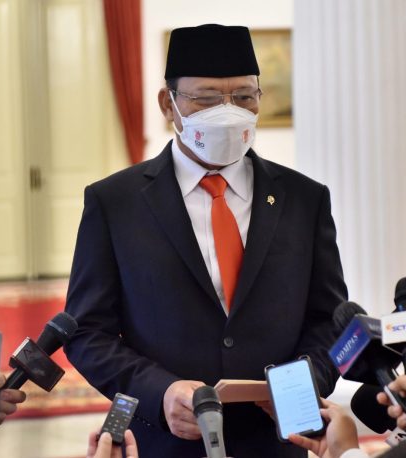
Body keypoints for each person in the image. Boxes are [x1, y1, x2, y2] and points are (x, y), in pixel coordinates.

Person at [64, 24, 347, 457]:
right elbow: (87, 332)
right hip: (164, 441)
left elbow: (330, 319)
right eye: (208, 99)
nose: (229, 111)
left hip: (277, 441)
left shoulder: (304, 199)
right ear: (168, 104)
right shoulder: (115, 203)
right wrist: (160, 393)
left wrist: (303, 382)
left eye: (244, 97)